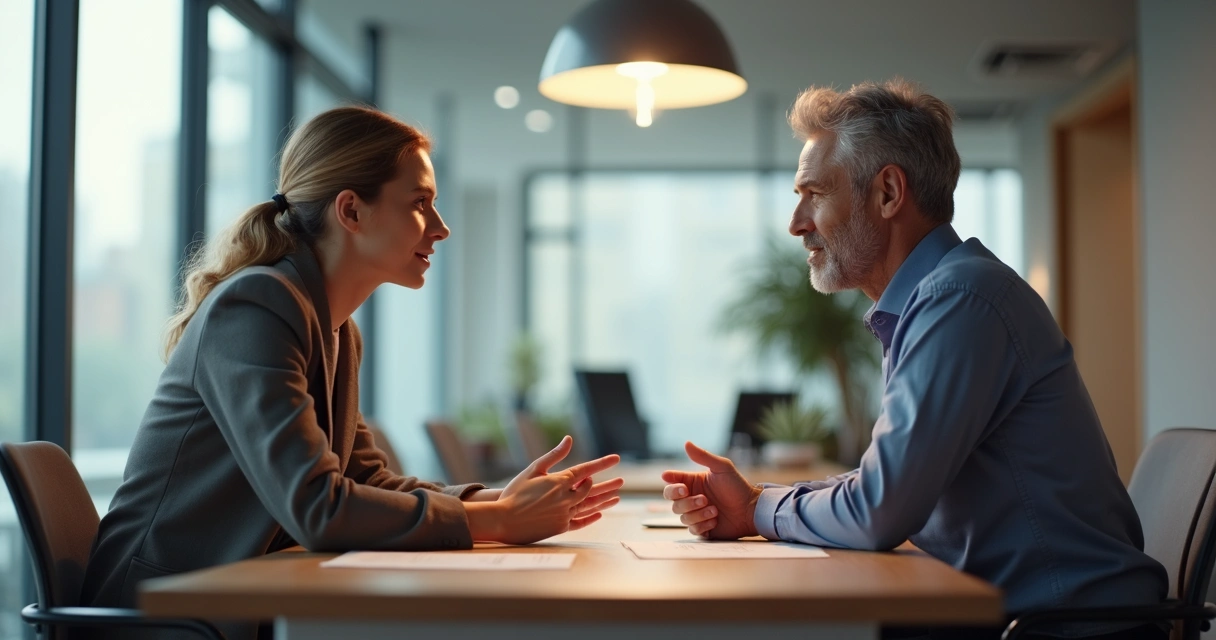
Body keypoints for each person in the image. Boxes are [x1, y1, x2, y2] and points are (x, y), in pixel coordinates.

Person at [79, 106, 622, 639]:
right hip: (165, 616)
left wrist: (494, 499)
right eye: (421, 204)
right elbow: (317, 507)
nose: (441, 228)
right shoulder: (255, 306)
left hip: (236, 601)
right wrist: (499, 521)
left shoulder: (336, 329)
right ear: (352, 211)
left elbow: (365, 480)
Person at [662, 80, 1168, 640]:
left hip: (1061, 628)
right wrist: (759, 504)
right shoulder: (938, 298)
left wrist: (759, 510)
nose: (797, 222)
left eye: (814, 193)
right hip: (1017, 613)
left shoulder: (959, 300)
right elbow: (887, 482)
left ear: (887, 194)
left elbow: (880, 508)